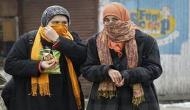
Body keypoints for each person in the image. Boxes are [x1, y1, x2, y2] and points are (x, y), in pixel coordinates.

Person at [81, 2, 162, 110]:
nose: (110, 23)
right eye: (106, 20)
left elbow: (154, 69)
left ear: (124, 18)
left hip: (139, 103)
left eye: (115, 19)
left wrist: (128, 75)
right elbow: (86, 69)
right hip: (104, 103)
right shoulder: (94, 42)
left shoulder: (146, 41)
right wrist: (107, 71)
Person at [3, 5, 86, 110]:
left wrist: (58, 40)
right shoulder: (29, 40)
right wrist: (39, 65)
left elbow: (83, 56)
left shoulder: (72, 38)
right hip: (34, 99)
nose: (60, 25)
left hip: (64, 98)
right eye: (55, 22)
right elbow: (10, 65)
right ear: (45, 23)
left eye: (64, 22)